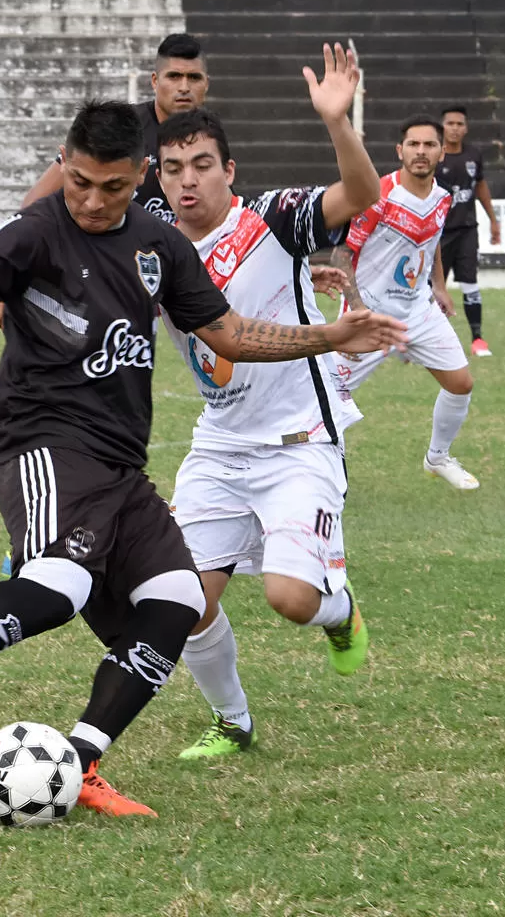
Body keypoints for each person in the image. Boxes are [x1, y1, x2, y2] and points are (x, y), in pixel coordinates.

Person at [0, 100, 407, 818]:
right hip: (40, 443)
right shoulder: (36, 232)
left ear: (140, 178)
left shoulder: (161, 246)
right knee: (58, 586)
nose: (93, 201)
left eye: (113, 187)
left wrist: (327, 336)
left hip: (119, 466)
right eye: (80, 183)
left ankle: (80, 762)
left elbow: (226, 333)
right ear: (64, 165)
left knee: (179, 602)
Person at [155, 43, 378, 759]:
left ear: (229, 170)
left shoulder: (272, 219)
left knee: (291, 600)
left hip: (299, 439)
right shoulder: (151, 245)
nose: (188, 183)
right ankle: (232, 720)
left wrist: (339, 123)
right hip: (221, 443)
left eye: (202, 166)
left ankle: (340, 612)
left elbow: (361, 196)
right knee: (182, 598)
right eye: (172, 170)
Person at [335, 115, 480, 491]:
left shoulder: (443, 198)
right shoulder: (377, 194)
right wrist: (356, 309)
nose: (420, 151)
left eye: (428, 145)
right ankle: (328, 472)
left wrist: (438, 286)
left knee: (460, 383)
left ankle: (437, 457)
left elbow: (429, 245)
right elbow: (342, 255)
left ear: (441, 151)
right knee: (330, 397)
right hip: (368, 312)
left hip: (418, 309)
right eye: (413, 145)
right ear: (400, 151)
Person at [21, 32, 209, 221]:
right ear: (155, 81)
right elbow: (33, 206)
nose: (184, 87)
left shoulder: (210, 136)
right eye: (174, 76)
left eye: (194, 78)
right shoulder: (120, 125)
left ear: (206, 83)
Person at [436, 105, 501, 357]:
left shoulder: (474, 154)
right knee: (432, 288)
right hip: (439, 234)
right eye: (450, 123)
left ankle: (477, 339)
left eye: (459, 124)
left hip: (467, 231)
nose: (454, 128)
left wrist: (493, 220)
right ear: (442, 127)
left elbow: (481, 186)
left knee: (469, 282)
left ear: (466, 128)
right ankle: (427, 341)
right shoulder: (434, 155)